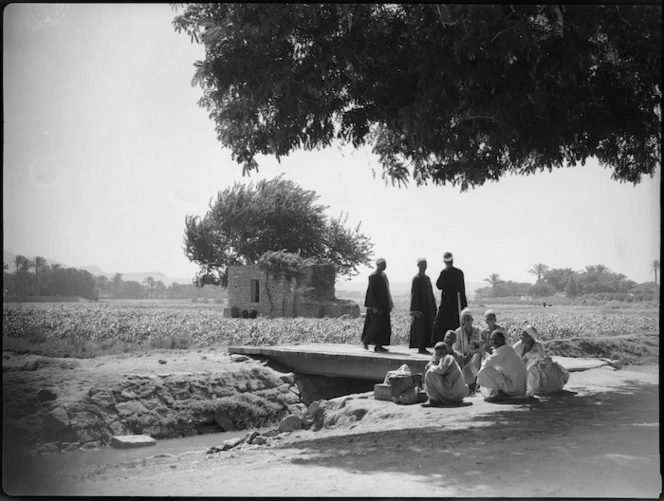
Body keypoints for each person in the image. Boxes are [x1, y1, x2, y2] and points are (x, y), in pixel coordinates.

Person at [512, 325, 570, 396]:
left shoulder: (538, 345)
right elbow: (511, 352)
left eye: (523, 335)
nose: (520, 336)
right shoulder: (519, 344)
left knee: (534, 362)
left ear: (530, 337)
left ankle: (532, 384)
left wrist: (529, 355)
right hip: (523, 369)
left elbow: (541, 359)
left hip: (537, 370)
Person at [477, 330, 528, 401]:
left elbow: (486, 364)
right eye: (491, 339)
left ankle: (501, 394)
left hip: (514, 388)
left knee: (484, 371)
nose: (492, 342)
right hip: (520, 389)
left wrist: (482, 352)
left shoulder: (504, 349)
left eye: (494, 339)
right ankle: (501, 392)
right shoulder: (507, 349)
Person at [433, 252, 467, 343]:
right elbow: (462, 290)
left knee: (440, 324)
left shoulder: (445, 272)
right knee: (455, 324)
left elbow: (439, 285)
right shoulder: (458, 272)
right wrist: (464, 306)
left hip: (447, 303)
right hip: (456, 303)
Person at [361, 257, 393, 353]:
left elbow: (386, 291)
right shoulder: (373, 276)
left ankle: (379, 345)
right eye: (383, 264)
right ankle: (366, 341)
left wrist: (389, 304)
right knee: (375, 325)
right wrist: (373, 306)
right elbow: (371, 292)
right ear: (378, 265)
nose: (384, 266)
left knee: (383, 326)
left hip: (383, 305)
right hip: (375, 306)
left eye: (385, 264)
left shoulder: (383, 276)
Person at [422, 342, 469, 406]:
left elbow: (441, 370)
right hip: (457, 393)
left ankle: (432, 399)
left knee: (430, 373)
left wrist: (431, 367)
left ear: (446, 352)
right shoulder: (444, 359)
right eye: (437, 354)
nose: (439, 356)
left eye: (441, 353)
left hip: (454, 392)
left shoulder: (448, 358)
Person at [452, 309, 487, 392]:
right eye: (465, 319)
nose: (467, 321)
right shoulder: (458, 332)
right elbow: (456, 347)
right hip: (463, 356)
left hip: (475, 355)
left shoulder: (478, 331)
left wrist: (474, 351)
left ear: (472, 319)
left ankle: (477, 381)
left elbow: (481, 345)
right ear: (462, 321)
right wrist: (463, 355)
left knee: (477, 357)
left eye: (469, 318)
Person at [409, 257, 437, 354]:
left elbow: (431, 294)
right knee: (420, 328)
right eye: (422, 264)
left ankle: (424, 346)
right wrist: (415, 310)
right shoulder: (416, 278)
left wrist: (434, 307)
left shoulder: (427, 278)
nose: (424, 266)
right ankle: (421, 348)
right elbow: (414, 295)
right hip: (420, 309)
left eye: (425, 264)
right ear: (418, 265)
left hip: (428, 308)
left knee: (427, 327)